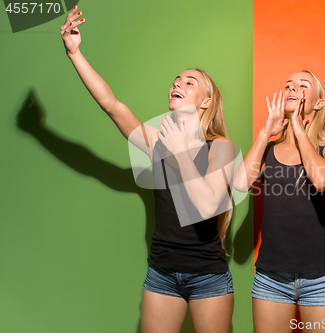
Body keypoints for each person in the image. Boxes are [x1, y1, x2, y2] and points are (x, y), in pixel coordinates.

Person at [60, 6, 235, 333]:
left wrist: (181, 153)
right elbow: (112, 105)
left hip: (208, 277)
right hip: (162, 274)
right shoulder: (159, 142)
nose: (177, 84)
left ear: (206, 102)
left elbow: (207, 206)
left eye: (189, 82)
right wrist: (75, 53)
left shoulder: (220, 147)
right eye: (175, 81)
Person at [234, 70, 325, 332]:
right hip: (270, 278)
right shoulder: (269, 150)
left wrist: (298, 127)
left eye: (302, 85)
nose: (292, 89)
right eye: (288, 85)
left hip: (321, 280)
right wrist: (266, 132)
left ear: (318, 103)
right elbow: (240, 184)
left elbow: (320, 180)